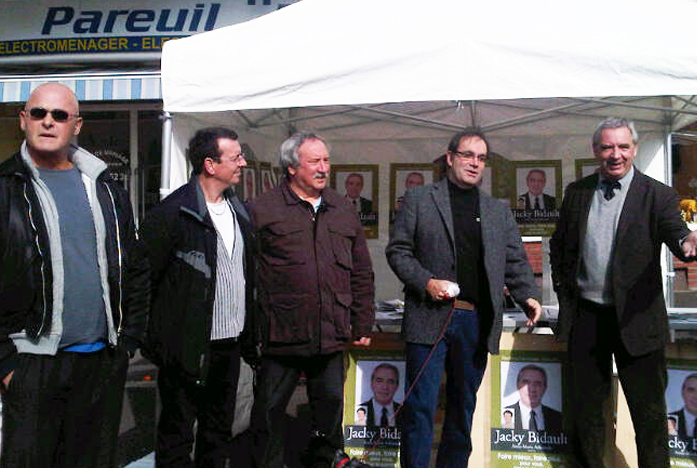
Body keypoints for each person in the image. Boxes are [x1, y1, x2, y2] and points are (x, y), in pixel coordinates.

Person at [0, 82, 148, 468]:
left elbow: (135, 269)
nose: (48, 121)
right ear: (23, 120)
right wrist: (5, 368)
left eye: (59, 115)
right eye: (38, 113)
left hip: (101, 363)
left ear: (77, 125)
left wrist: (127, 343)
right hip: (30, 365)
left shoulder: (106, 189)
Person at [550, 117, 697, 468]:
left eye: (623, 146)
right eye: (607, 147)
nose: (615, 154)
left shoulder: (658, 194)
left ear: (634, 149)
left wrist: (689, 243)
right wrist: (565, 295)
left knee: (649, 415)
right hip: (588, 318)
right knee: (587, 413)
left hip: (637, 318)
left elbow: (676, 232)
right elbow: (559, 248)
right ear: (596, 151)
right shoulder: (577, 193)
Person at [386, 127, 542, 468]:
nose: (475, 163)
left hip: (475, 320)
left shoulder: (497, 211)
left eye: (481, 158)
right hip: (430, 316)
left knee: (462, 408)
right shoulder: (419, 199)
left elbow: (514, 260)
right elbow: (398, 252)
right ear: (450, 158)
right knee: (421, 408)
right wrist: (426, 282)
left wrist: (528, 295)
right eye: (468, 155)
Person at [250, 132, 375, 468]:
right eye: (314, 161)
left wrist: (362, 320)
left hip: (331, 333)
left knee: (330, 410)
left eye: (326, 160)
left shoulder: (342, 209)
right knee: (269, 413)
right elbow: (247, 275)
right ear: (292, 167)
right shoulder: (263, 210)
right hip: (282, 334)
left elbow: (362, 271)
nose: (323, 168)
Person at [137, 127, 257, 468]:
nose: (243, 163)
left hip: (230, 346)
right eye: (235, 158)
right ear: (209, 164)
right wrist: (157, 343)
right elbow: (143, 277)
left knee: (218, 434)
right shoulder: (172, 213)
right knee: (177, 435)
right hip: (186, 347)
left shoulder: (239, 211)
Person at [504, 364, 563, 432]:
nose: (532, 389)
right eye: (526, 383)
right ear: (518, 385)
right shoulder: (506, 414)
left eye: (537, 384)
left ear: (545, 388)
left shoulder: (557, 417)